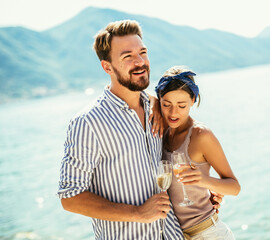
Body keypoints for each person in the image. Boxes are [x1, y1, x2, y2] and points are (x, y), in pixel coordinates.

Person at [57, 20, 221, 240]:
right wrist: (137, 213)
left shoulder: (158, 110)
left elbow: (178, 157)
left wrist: (201, 192)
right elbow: (70, 197)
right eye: (128, 57)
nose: (140, 62)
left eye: (143, 52)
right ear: (107, 67)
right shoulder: (88, 122)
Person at [155, 66, 241, 240]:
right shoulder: (161, 131)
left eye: (182, 105)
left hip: (208, 233)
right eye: (167, 104)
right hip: (176, 234)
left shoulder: (201, 135)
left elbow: (234, 187)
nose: (173, 112)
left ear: (193, 100)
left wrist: (204, 181)